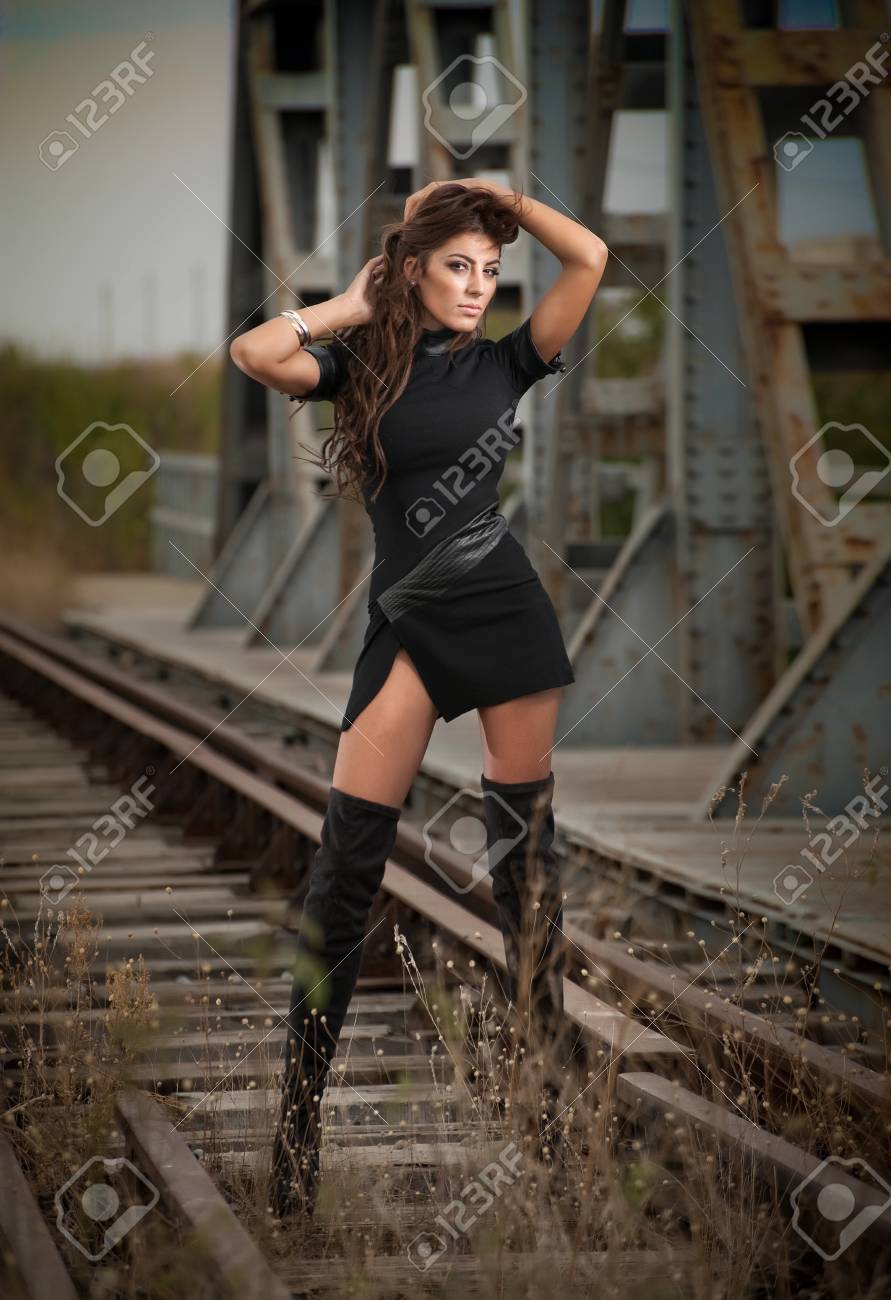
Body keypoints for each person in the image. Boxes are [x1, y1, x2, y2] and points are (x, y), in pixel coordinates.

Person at [229, 179, 608, 1217]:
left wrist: (509, 204)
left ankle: (550, 1118)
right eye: (459, 265)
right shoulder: (356, 364)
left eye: (491, 271)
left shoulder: (507, 361)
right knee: (344, 872)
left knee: (525, 866)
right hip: (408, 621)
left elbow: (591, 261)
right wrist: (343, 309)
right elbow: (254, 354)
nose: (481, 286)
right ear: (411, 270)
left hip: (502, 608)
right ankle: (295, 1132)